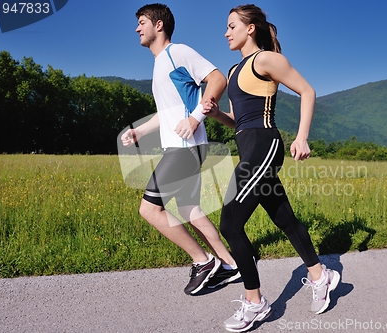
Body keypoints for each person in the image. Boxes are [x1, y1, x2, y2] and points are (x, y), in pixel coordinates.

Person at [203, 4, 340, 331]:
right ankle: (322, 275)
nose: (226, 32)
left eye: (232, 26)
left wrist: (302, 137)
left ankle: (255, 303)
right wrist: (216, 114)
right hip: (248, 147)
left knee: (230, 223)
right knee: (285, 218)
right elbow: (238, 121)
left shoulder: (265, 59)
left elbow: (307, 90)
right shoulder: (235, 72)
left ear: (250, 28)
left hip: (265, 146)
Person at [121, 3, 240, 295]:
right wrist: (140, 130)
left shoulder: (178, 53)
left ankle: (203, 261)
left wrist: (195, 117)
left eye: (141, 22)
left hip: (185, 148)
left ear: (158, 25)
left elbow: (217, 79)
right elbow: (167, 111)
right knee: (189, 209)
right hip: (182, 147)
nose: (137, 28)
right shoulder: (160, 63)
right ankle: (230, 264)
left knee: (149, 209)